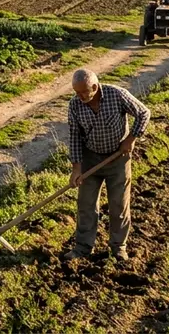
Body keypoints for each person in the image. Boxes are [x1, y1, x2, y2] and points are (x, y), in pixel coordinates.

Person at [64, 68, 150, 263]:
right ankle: (82, 248)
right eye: (76, 92)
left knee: (119, 205)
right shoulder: (75, 105)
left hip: (118, 158)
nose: (79, 96)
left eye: (83, 92)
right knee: (85, 204)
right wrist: (76, 169)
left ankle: (118, 248)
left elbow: (144, 113)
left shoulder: (117, 95)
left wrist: (131, 139)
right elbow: (75, 136)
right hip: (90, 158)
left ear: (95, 87)